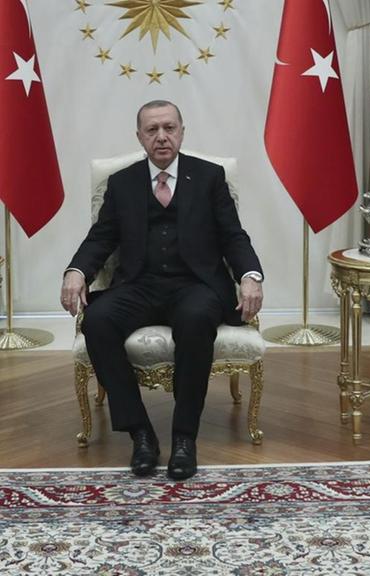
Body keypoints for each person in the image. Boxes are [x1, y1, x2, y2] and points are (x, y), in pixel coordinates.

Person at [60, 100, 264, 480]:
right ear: (139, 137)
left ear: (182, 131)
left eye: (169, 128)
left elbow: (234, 236)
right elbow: (100, 239)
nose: (162, 137)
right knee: (98, 321)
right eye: (152, 130)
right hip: (140, 284)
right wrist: (76, 271)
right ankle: (141, 434)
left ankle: (185, 439)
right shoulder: (121, 184)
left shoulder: (209, 177)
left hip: (195, 285)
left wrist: (251, 274)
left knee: (196, 317)